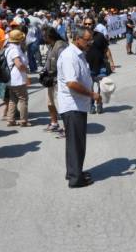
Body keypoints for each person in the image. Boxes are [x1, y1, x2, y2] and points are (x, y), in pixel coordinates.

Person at [57, 26, 99, 188]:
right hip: (72, 105)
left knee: (75, 142)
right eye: (87, 40)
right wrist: (92, 94)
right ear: (77, 39)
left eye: (91, 40)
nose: (90, 43)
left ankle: (74, 171)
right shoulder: (70, 56)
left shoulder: (79, 54)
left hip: (78, 105)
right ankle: (76, 178)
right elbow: (72, 83)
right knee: (76, 143)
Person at [83, 18, 114, 114]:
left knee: (101, 86)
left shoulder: (99, 36)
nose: (88, 25)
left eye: (90, 23)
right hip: (88, 67)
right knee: (90, 87)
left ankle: (99, 102)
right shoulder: (81, 36)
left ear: (93, 24)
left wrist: (112, 62)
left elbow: (106, 49)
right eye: (86, 24)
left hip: (100, 65)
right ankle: (91, 105)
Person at [43, 27, 67, 137]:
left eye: (44, 36)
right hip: (50, 80)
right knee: (50, 103)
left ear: (49, 36)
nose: (43, 38)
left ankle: (67, 128)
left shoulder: (60, 46)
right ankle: (54, 123)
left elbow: (64, 63)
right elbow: (48, 60)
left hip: (58, 80)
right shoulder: (51, 45)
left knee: (61, 104)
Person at [5, 29, 31, 127]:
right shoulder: (15, 49)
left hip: (11, 79)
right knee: (23, 99)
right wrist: (26, 70)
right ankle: (23, 120)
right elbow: (19, 64)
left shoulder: (8, 48)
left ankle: (10, 119)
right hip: (17, 79)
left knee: (13, 99)